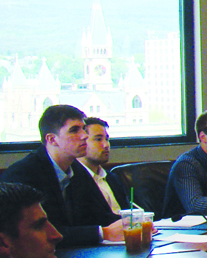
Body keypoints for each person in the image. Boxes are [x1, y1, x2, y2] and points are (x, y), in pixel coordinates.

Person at [0, 105, 124, 246]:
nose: (84, 136)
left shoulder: (76, 168)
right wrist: (104, 233)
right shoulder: (24, 175)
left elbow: (98, 214)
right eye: (74, 130)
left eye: (83, 129)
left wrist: (133, 222)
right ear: (52, 140)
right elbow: (44, 232)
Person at [78, 117, 128, 215]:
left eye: (107, 139)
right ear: (82, 142)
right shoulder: (74, 180)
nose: (106, 145)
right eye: (98, 139)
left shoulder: (113, 178)